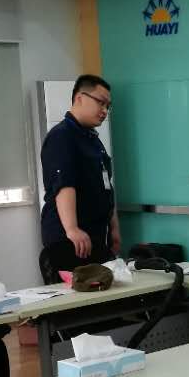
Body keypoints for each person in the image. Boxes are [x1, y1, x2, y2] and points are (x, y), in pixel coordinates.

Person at [39, 74, 120, 267]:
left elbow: (106, 187)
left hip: (95, 235)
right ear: (80, 98)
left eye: (108, 106)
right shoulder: (62, 136)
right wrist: (72, 228)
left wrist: (114, 228)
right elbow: (64, 185)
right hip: (70, 240)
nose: (104, 110)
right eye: (100, 103)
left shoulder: (93, 140)